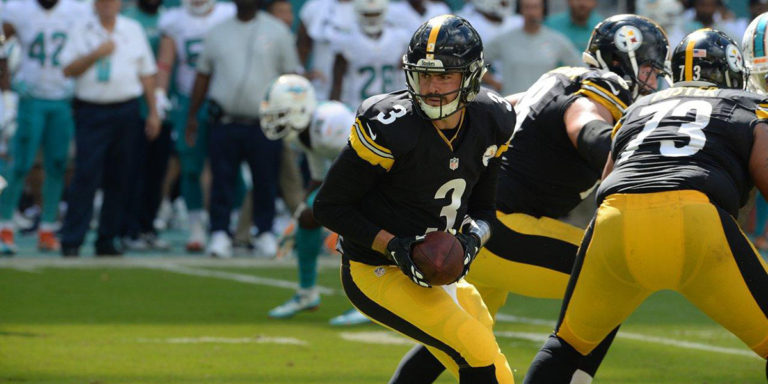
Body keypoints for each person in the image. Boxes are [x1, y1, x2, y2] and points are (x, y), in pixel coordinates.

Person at [388, 14, 671, 384]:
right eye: (649, 68)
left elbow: (498, 110)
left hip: (472, 224)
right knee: (617, 276)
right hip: (500, 225)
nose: (654, 79)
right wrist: (630, 151)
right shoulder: (602, 87)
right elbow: (584, 123)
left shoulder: (557, 78)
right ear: (622, 60)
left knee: (458, 338)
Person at [523, 28, 768, 383]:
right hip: (694, 217)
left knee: (566, 346)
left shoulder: (638, 108)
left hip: (614, 219)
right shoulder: (746, 105)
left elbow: (607, 178)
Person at [314, 15, 516, 383]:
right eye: (424, 75)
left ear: (470, 76)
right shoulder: (390, 125)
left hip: (431, 263)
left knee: (478, 334)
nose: (432, 87)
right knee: (476, 350)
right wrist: (395, 246)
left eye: (444, 76)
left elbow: (486, 211)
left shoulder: (494, 118)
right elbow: (329, 206)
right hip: (374, 267)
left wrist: (471, 240)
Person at [186, 0, 300, 258]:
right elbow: (203, 75)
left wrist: (291, 118)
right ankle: (219, 233)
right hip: (225, 119)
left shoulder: (277, 31)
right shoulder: (218, 31)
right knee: (222, 179)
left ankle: (264, 232)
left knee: (266, 180)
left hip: (264, 121)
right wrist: (193, 115)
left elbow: (290, 77)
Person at [260, 74, 370, 326]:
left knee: (356, 227)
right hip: (353, 177)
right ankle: (307, 293)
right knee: (307, 219)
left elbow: (362, 165)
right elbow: (320, 178)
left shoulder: (328, 120)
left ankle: (369, 303)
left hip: (378, 175)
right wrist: (301, 209)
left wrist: (322, 206)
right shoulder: (303, 133)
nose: (275, 121)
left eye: (281, 113)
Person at [58, 0, 160, 257]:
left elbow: (146, 73)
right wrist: (96, 53)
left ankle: (108, 238)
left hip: (125, 109)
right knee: (86, 174)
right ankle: (72, 239)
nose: (107, 5)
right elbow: (68, 69)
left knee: (120, 176)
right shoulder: (80, 28)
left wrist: (153, 112)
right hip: (91, 109)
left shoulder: (132, 28)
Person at [0, 0, 89, 253]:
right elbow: (1, 41)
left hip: (62, 98)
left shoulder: (76, 10)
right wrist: (7, 82)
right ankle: (5, 227)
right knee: (20, 164)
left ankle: (47, 229)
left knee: (58, 164)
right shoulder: (19, 9)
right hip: (32, 98)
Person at [156, 0, 235, 252]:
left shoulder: (227, 13)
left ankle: (228, 223)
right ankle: (196, 225)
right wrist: (159, 91)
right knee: (190, 165)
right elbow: (166, 61)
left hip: (223, 98)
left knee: (227, 165)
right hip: (188, 99)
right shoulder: (173, 20)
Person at [484, 0, 581, 95]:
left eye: (535, 7)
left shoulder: (556, 40)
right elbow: (474, 60)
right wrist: (495, 83)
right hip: (511, 104)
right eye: (527, 7)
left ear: (543, 9)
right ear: (520, 10)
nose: (531, 12)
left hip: (543, 106)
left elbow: (580, 67)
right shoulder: (505, 39)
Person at [328, 0, 410, 110]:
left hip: (391, 106)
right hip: (357, 107)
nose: (372, 19)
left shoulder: (399, 38)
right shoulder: (347, 40)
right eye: (367, 14)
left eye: (376, 14)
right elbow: (337, 82)